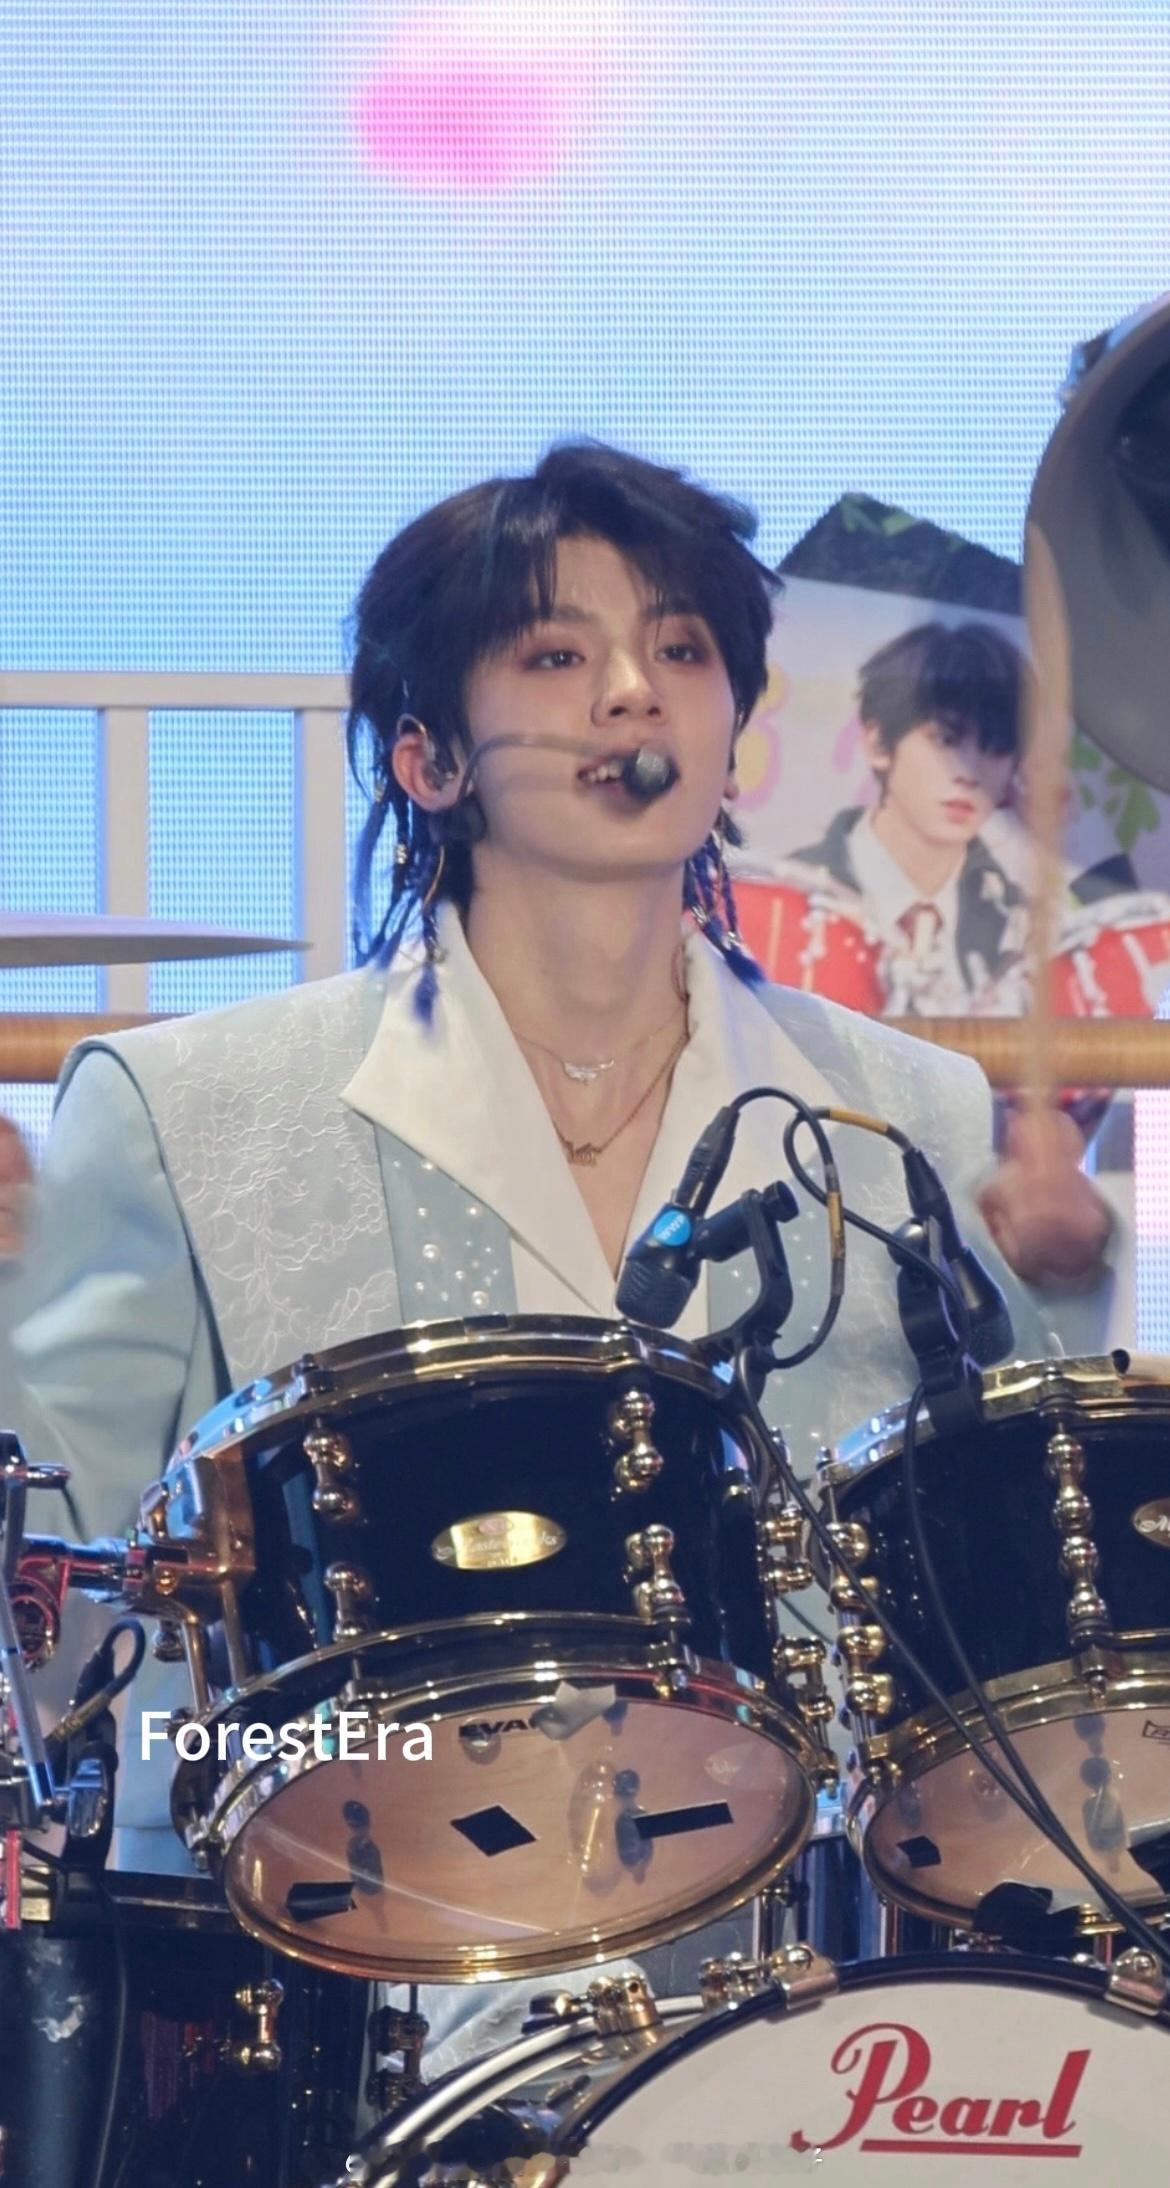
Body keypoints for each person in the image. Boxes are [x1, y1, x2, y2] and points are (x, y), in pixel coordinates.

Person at [0, 443, 1112, 2056]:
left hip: (801, 1993)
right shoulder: (187, 1107)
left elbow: (1013, 1594)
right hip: (332, 1984)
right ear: (428, 755)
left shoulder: (907, 1110)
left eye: (680, 649)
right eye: (552, 654)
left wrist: (1069, 1285)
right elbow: (58, 1592)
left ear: (736, 736)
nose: (630, 693)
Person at [789, 619, 1032, 1016]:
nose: (968, 773)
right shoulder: (788, 898)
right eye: (946, 740)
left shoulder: (1022, 930)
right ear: (878, 743)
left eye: (996, 748)